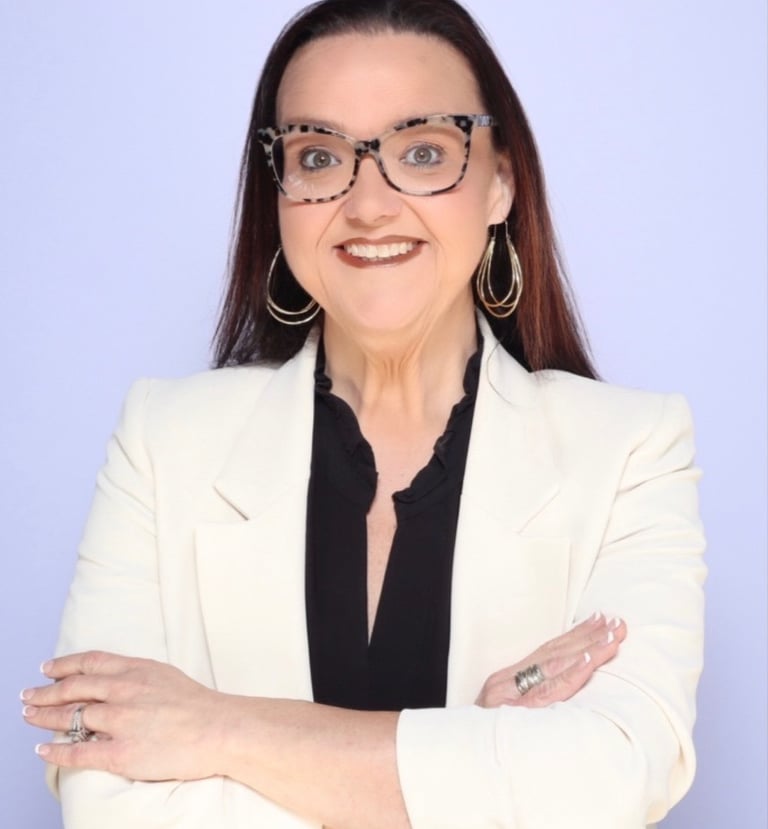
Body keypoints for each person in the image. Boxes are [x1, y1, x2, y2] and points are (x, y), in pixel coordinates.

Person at [20, 1, 706, 827]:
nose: (369, 205)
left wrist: (216, 726)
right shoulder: (162, 441)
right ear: (278, 194)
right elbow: (107, 795)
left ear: (500, 180)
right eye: (317, 156)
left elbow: (607, 778)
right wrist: (476, 752)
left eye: (422, 152)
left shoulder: (632, 448)